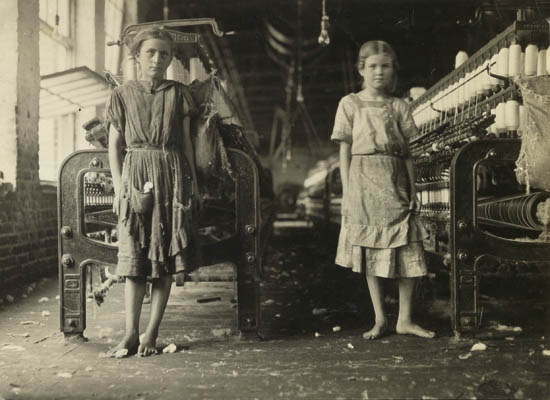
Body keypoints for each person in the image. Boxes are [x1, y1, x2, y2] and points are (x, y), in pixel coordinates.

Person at [106, 28, 201, 356]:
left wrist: (193, 184)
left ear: (171, 58)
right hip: (135, 172)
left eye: (164, 54)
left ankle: (151, 333)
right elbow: (114, 145)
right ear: (137, 56)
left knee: (165, 256)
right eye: (150, 53)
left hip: (171, 174)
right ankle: (130, 333)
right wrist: (120, 188)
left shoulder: (179, 94)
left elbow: (187, 142)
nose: (157, 59)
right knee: (134, 257)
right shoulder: (122, 95)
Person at [331, 40, 435, 340]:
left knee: (408, 247)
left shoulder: (400, 106)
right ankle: (380, 319)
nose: (379, 72)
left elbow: (409, 155)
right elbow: (344, 151)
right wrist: (348, 191)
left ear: (393, 71)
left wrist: (414, 192)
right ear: (361, 69)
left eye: (385, 66)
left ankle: (404, 319)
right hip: (363, 180)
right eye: (373, 66)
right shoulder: (349, 103)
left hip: (395, 179)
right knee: (370, 250)